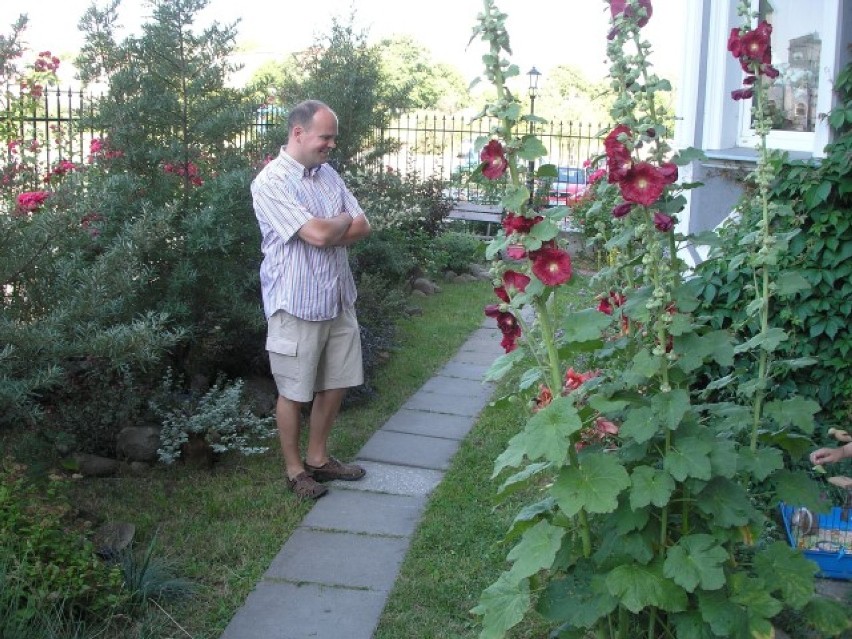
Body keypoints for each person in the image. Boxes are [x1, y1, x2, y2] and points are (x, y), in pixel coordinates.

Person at [251, 99, 371, 500]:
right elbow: (319, 235)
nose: (331, 145)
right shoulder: (271, 182)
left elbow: (362, 225)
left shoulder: (328, 175)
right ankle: (294, 470)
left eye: (333, 138)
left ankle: (318, 459)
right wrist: (336, 224)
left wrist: (329, 227)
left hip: (338, 297)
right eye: (326, 137)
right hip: (296, 302)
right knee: (294, 390)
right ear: (298, 133)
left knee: (335, 382)